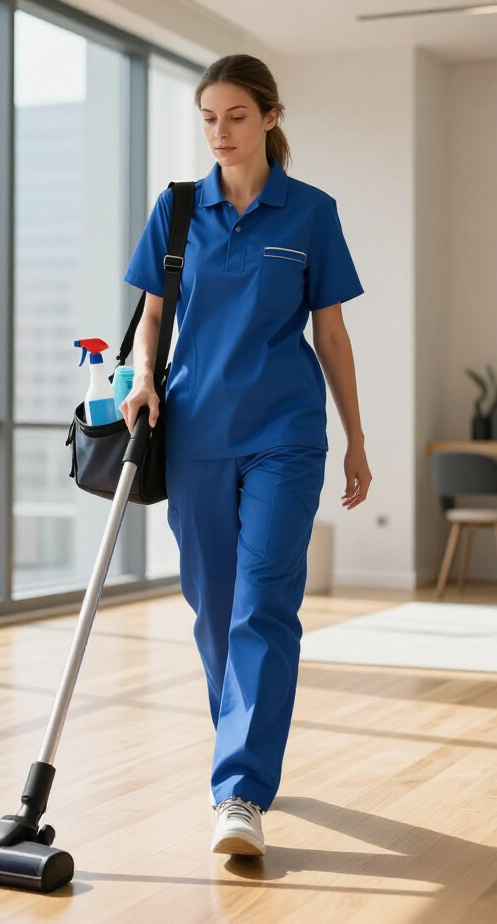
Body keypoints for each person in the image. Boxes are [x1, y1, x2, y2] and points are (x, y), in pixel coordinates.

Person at [120, 54, 371, 857]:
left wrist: (357, 437)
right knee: (216, 608)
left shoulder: (310, 214)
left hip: (285, 436)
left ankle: (238, 789)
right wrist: (141, 381)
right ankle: (245, 747)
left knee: (265, 598)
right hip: (195, 431)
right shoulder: (179, 209)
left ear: (269, 116)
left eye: (235, 115)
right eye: (208, 118)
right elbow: (152, 316)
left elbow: (330, 333)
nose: (220, 132)